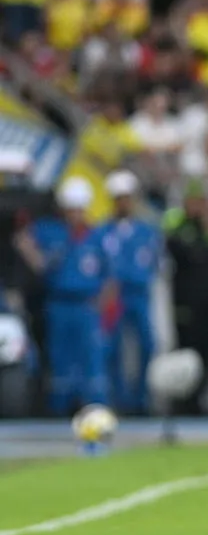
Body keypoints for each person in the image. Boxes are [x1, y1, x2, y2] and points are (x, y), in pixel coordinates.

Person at [14, 178, 112, 415]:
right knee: (60, 358)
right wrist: (38, 260)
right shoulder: (50, 231)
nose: (75, 215)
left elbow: (109, 274)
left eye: (79, 209)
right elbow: (21, 239)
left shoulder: (95, 235)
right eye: (71, 209)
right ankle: (59, 409)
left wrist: (102, 304)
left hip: (86, 305)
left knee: (90, 358)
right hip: (59, 303)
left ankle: (94, 409)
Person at [97, 170, 161, 415]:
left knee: (147, 344)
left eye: (127, 197)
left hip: (139, 293)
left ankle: (141, 398)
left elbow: (154, 263)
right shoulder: (103, 231)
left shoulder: (146, 231)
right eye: (118, 198)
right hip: (114, 296)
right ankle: (119, 398)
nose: (123, 203)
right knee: (112, 347)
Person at [163, 181, 208, 415]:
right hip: (185, 301)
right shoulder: (179, 227)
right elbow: (189, 256)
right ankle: (182, 401)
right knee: (185, 351)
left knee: (205, 352)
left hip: (207, 302)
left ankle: (199, 400)